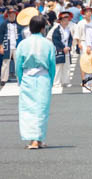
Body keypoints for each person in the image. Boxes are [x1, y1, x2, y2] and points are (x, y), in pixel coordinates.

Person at [15, 15, 56, 150]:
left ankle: (34, 139)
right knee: (42, 109)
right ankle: (38, 138)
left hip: (27, 77)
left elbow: (18, 65)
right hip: (43, 76)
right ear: (43, 28)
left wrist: (20, 79)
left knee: (28, 109)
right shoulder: (48, 44)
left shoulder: (23, 44)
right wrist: (50, 80)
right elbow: (52, 65)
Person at [51, 11, 73, 88]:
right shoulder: (57, 30)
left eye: (67, 20)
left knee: (66, 67)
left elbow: (70, 39)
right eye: (64, 20)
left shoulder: (68, 29)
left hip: (67, 50)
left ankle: (65, 82)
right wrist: (63, 48)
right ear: (60, 21)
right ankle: (56, 82)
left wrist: (69, 47)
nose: (66, 22)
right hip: (59, 50)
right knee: (58, 67)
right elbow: (55, 40)